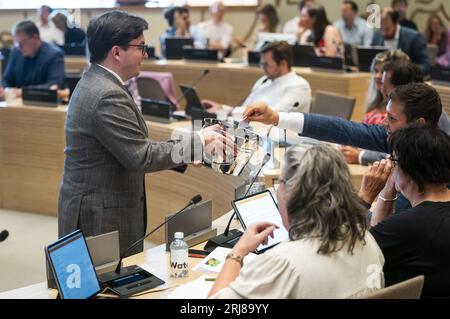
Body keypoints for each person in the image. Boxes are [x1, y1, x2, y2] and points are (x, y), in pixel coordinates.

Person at [58, 10, 230, 257]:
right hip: (99, 216)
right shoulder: (107, 94)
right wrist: (200, 140)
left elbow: (128, 146)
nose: (146, 54)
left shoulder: (98, 82)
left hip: (97, 207)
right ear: (117, 52)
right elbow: (141, 156)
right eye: (141, 47)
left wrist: (190, 152)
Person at [208, 144, 384, 299]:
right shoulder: (366, 240)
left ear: (294, 192)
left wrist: (238, 252)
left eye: (281, 182)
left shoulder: (284, 264)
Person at [242, 82, 450, 212]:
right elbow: (343, 129)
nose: (384, 123)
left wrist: (366, 199)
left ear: (419, 123)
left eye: (392, 118)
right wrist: (277, 117)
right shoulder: (398, 139)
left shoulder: (438, 170)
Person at [359, 126, 450, 298]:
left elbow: (348, 254)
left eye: (394, 161)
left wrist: (364, 197)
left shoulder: (410, 225)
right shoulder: (411, 224)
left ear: (409, 170)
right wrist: (389, 187)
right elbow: (381, 236)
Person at [202, 41, 311, 119]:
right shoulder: (264, 80)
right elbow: (246, 108)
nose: (262, 68)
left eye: (266, 64)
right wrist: (221, 108)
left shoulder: (299, 86)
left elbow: (273, 114)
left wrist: (227, 111)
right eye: (261, 64)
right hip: (254, 133)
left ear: (283, 64)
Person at [0, 20, 65, 99]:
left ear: (35, 38)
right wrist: (6, 89)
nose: (19, 47)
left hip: (42, 104)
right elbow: (6, 80)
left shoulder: (54, 55)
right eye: (17, 43)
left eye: (22, 43)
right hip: (16, 103)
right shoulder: (16, 52)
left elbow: (53, 85)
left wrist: (22, 92)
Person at [371, 7, 430, 74]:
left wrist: (407, 73)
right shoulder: (376, 36)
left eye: (387, 29)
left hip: (406, 80)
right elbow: (372, 62)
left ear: (396, 23)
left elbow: (425, 65)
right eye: (381, 29)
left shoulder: (414, 37)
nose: (383, 34)